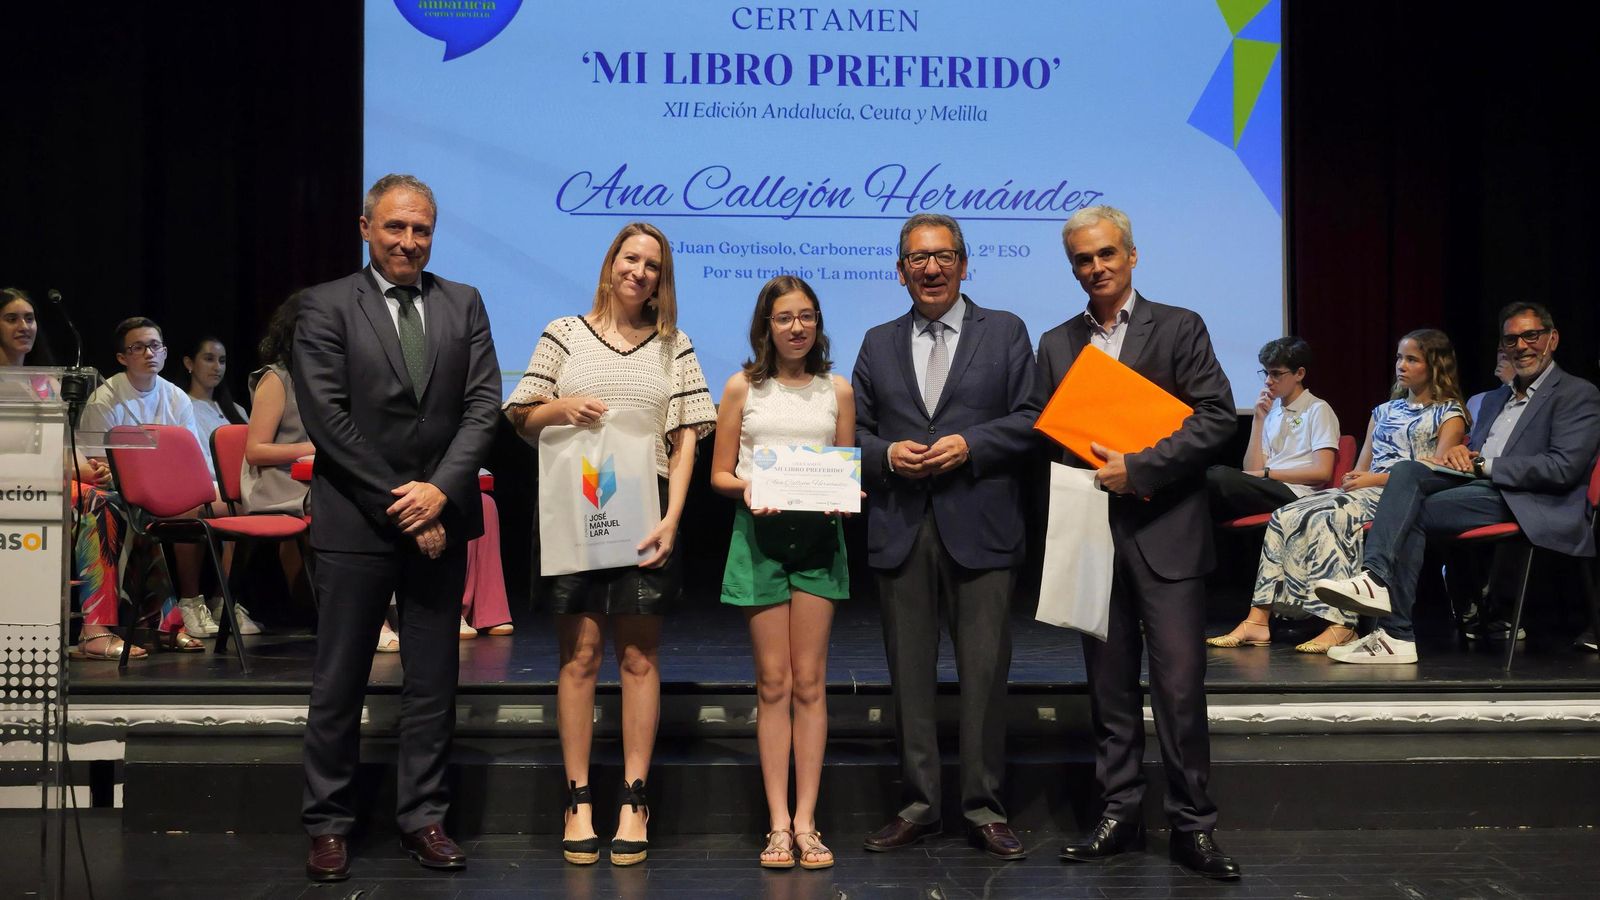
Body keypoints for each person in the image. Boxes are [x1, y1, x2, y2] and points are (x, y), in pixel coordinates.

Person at [295, 173, 501, 882]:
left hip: (441, 518)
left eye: (421, 229)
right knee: (339, 681)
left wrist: (438, 494)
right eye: (395, 228)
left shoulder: (463, 303)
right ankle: (327, 824)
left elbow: (482, 409)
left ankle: (424, 819)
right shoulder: (324, 307)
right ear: (365, 227)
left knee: (433, 683)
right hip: (357, 520)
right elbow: (329, 421)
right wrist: (404, 503)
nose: (409, 241)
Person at [503, 221, 715, 867]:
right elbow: (520, 415)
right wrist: (561, 408)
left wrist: (674, 518)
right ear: (610, 263)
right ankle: (577, 799)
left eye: (653, 264)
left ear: (662, 278)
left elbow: (685, 442)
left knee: (639, 659)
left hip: (645, 514)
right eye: (631, 258)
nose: (639, 271)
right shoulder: (563, 332)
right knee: (580, 655)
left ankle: (634, 797)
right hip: (576, 509)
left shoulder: (675, 345)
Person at [1037, 206, 1240, 880]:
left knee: (1180, 690)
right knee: (1109, 690)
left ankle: (1193, 828)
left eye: (1105, 255)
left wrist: (1140, 466)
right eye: (1082, 260)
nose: (1095, 268)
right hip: (1090, 536)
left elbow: (1216, 420)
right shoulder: (1057, 341)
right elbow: (1049, 435)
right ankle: (1118, 814)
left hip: (1167, 534)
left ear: (1131, 255)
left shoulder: (1179, 326)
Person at [853, 213, 1040, 862]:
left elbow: (1033, 420)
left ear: (965, 263)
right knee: (909, 680)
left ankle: (985, 808)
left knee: (985, 677)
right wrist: (884, 458)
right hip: (901, 527)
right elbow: (854, 434)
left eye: (943, 256)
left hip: (982, 526)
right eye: (917, 259)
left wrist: (972, 444)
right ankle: (918, 807)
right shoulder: (877, 342)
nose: (930, 268)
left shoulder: (1008, 331)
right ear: (900, 269)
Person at [1316, 303, 1600, 664]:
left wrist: (1484, 464)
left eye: (1532, 336)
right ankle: (1382, 599)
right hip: (1482, 486)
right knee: (1408, 472)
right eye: (1512, 339)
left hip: (1530, 498)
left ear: (1552, 339)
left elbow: (1563, 468)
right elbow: (1477, 452)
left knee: (1410, 507)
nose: (1522, 346)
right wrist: (1460, 457)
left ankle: (1393, 629)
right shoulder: (1497, 397)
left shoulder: (1577, 393)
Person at [710, 275, 852, 870]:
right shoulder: (743, 386)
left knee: (810, 682)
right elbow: (719, 474)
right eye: (785, 317)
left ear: (818, 324)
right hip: (760, 539)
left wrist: (838, 494)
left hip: (819, 541)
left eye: (807, 316)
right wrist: (751, 490)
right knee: (773, 682)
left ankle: (808, 822)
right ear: (765, 325)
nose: (797, 327)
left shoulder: (836, 390)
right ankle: (776, 825)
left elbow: (847, 473)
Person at [1209, 330, 1468, 654]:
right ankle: (1259, 618)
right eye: (1400, 357)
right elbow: (1361, 467)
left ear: (1435, 365)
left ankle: (1341, 624)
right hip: (1366, 489)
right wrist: (1354, 478)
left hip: (1398, 496)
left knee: (1333, 515)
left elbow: (1432, 471)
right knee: (1284, 514)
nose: (1401, 365)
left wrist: (1372, 481)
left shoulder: (1449, 413)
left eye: (1412, 359)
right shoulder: (1383, 412)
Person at [77, 316, 220, 640]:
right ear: (122, 357)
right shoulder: (106, 398)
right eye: (138, 347)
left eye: (154, 346)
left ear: (166, 352)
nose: (148, 353)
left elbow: (190, 459)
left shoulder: (176, 398)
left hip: (169, 488)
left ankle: (198, 601)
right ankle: (166, 618)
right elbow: (99, 464)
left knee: (215, 502)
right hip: (122, 491)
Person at [1205, 336, 1340, 521]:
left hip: (1298, 493)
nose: (1268, 381)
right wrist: (1258, 420)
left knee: (1217, 476)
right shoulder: (1272, 414)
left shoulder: (1317, 408)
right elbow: (1252, 469)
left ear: (1299, 374)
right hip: (1268, 487)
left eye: (1276, 374)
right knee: (1205, 485)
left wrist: (1268, 473)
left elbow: (1322, 472)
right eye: (1266, 373)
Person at [242, 293, 315, 631]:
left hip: (311, 479)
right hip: (277, 484)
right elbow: (256, 450)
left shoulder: (324, 378)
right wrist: (313, 447)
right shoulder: (277, 378)